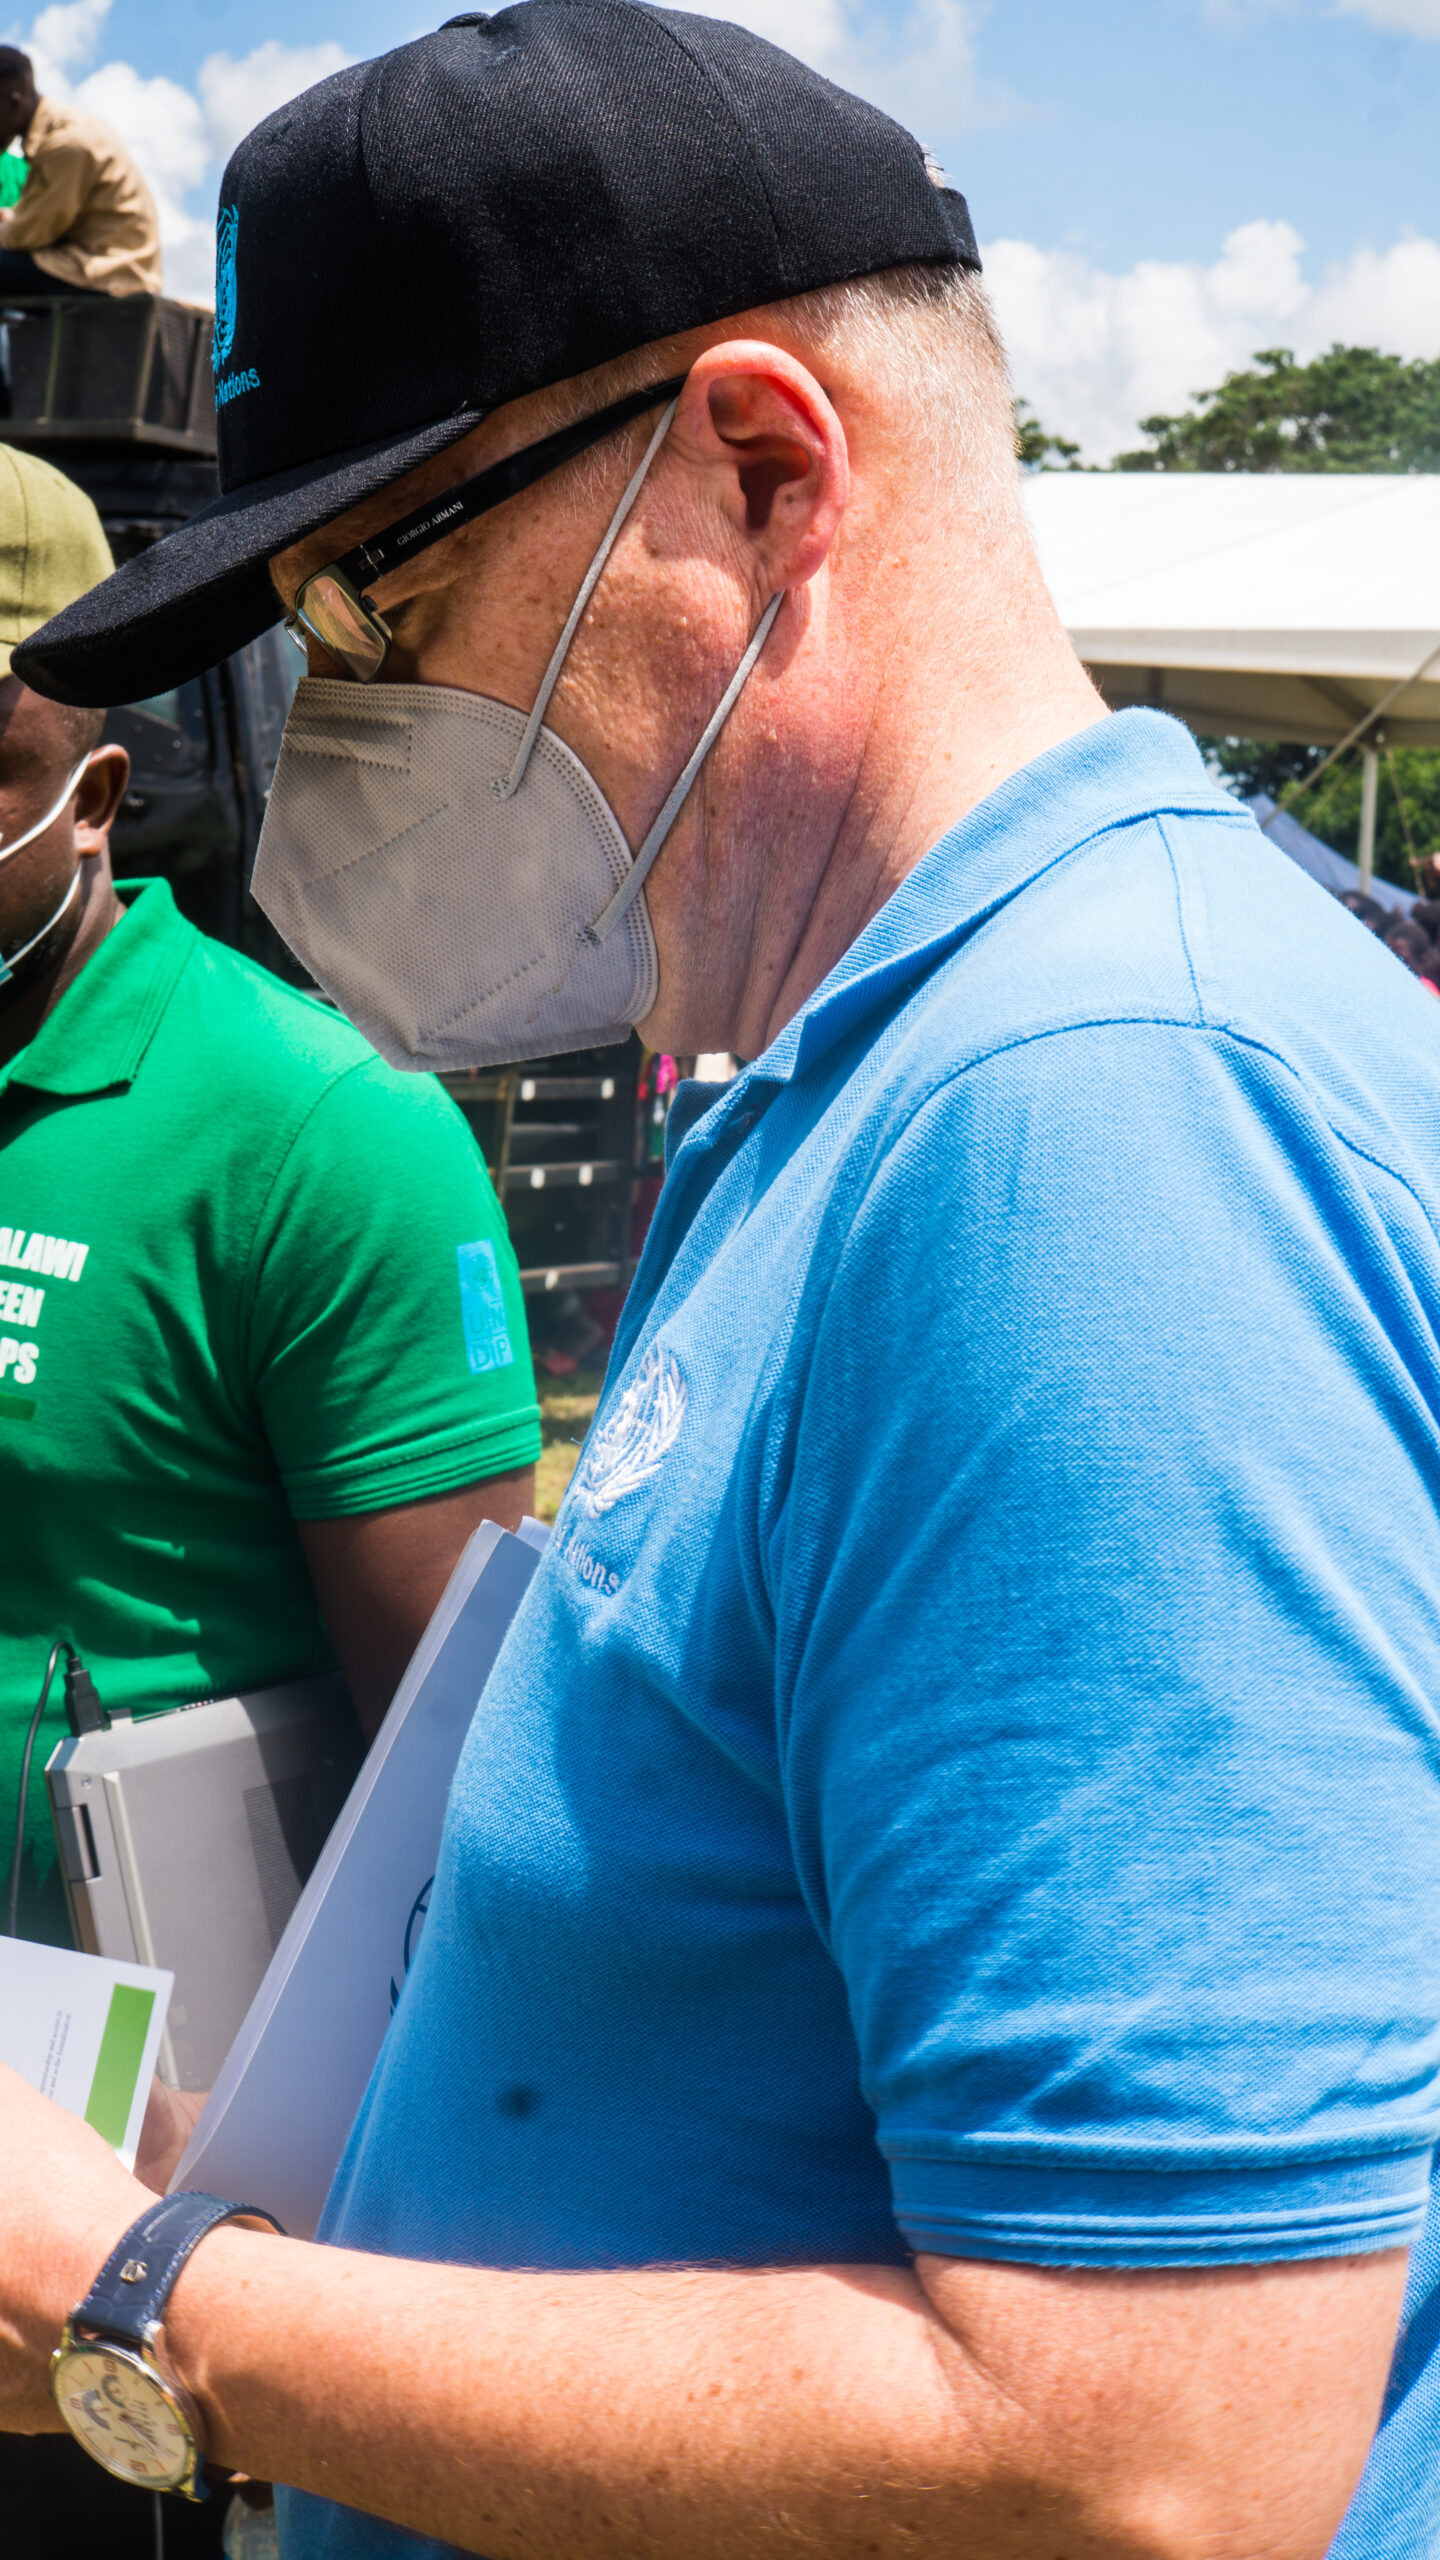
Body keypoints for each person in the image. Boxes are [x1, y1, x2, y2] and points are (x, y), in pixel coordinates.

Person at [7, 9, 1440, 2557]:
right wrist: (326, 2179)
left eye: (385, 598)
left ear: (767, 470)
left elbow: (1151, 2455)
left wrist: (158, 2311)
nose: (341, 722)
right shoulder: (871, 1074)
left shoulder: (1090, 1119)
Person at [0, 440, 540, 2552]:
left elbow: (462, 1778)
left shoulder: (313, 1133)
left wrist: (264, 2169)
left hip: (112, 2183)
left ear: (96, 791)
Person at [0, 46, 161, 299]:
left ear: (13, 104)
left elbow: (26, 236)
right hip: (104, 263)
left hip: (108, 272)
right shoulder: (65, 130)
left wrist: (12, 225)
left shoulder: (66, 144)